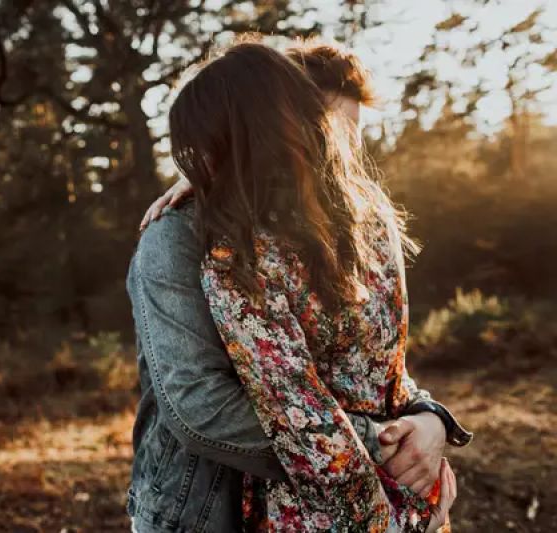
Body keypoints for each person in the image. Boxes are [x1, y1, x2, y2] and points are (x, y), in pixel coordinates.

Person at [126, 38, 471, 533]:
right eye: (328, 132)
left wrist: (428, 425)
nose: (341, 159)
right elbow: (202, 405)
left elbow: (373, 365)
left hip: (341, 498)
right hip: (202, 512)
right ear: (268, 122)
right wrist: (387, 450)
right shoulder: (189, 240)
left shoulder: (359, 224)